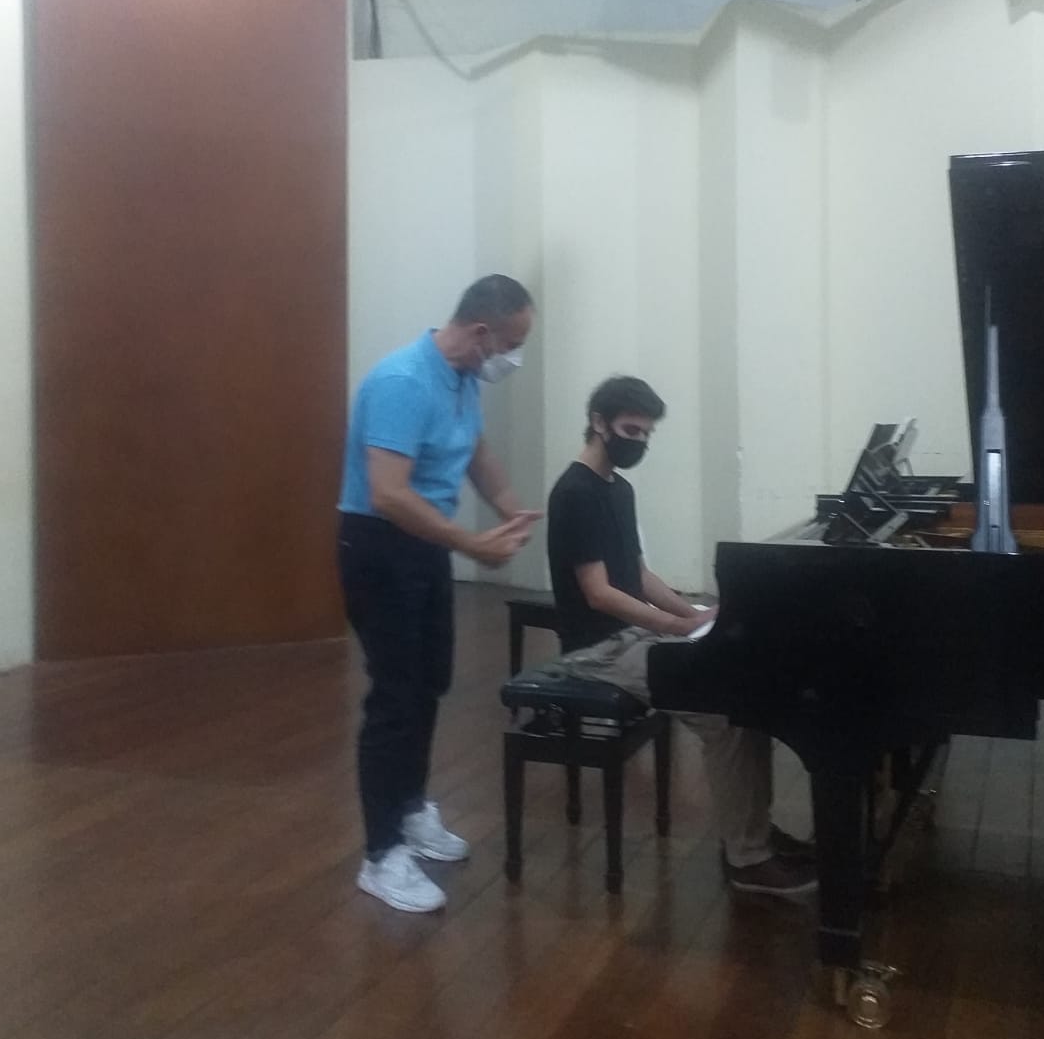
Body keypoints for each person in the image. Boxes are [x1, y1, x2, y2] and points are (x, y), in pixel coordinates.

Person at [546, 375, 816, 896]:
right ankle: (747, 858)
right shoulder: (574, 493)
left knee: (746, 698)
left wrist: (697, 614)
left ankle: (753, 831)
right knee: (723, 715)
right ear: (599, 423)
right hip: (597, 651)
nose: (639, 442)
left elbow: (638, 574)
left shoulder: (618, 489)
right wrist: (675, 626)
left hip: (631, 637)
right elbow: (599, 594)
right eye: (631, 431)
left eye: (647, 434)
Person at [338, 275, 540, 913]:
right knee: (395, 697)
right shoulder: (402, 382)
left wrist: (510, 509)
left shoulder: (462, 377)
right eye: (512, 344)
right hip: (379, 546)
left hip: (422, 545)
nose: (513, 358)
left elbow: (477, 454)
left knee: (429, 683)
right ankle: (381, 855)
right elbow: (388, 493)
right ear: (481, 333)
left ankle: (409, 808)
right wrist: (471, 544)